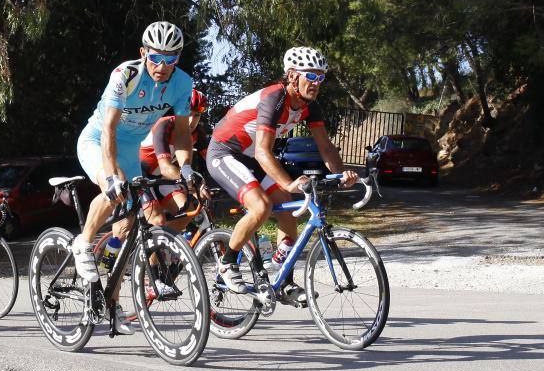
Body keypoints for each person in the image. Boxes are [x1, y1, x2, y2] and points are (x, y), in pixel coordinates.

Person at [206, 47, 358, 302]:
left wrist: (341, 175)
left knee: (287, 213)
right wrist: (289, 182)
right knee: (262, 205)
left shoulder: (310, 106)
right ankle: (227, 262)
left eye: (321, 77)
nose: (316, 83)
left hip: (252, 158)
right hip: (225, 152)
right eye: (310, 76)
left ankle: (282, 278)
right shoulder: (274, 98)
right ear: (291, 75)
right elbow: (265, 152)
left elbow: (325, 146)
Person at [73, 21, 197, 334]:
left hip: (131, 149)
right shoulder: (125, 75)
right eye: (156, 57)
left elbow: (182, 134)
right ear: (144, 54)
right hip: (99, 139)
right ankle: (83, 244)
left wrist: (186, 167)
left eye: (170, 59)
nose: (162, 66)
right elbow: (109, 129)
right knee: (112, 190)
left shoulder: (182, 83)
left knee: (127, 231)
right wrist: (113, 173)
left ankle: (111, 304)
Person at [139, 89, 211, 232]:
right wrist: (193, 184)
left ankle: (164, 251)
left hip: (160, 178)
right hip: (139, 175)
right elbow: (166, 167)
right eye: (188, 113)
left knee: (187, 212)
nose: (191, 120)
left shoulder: (197, 134)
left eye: (196, 115)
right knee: (158, 220)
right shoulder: (164, 125)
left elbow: (214, 162)